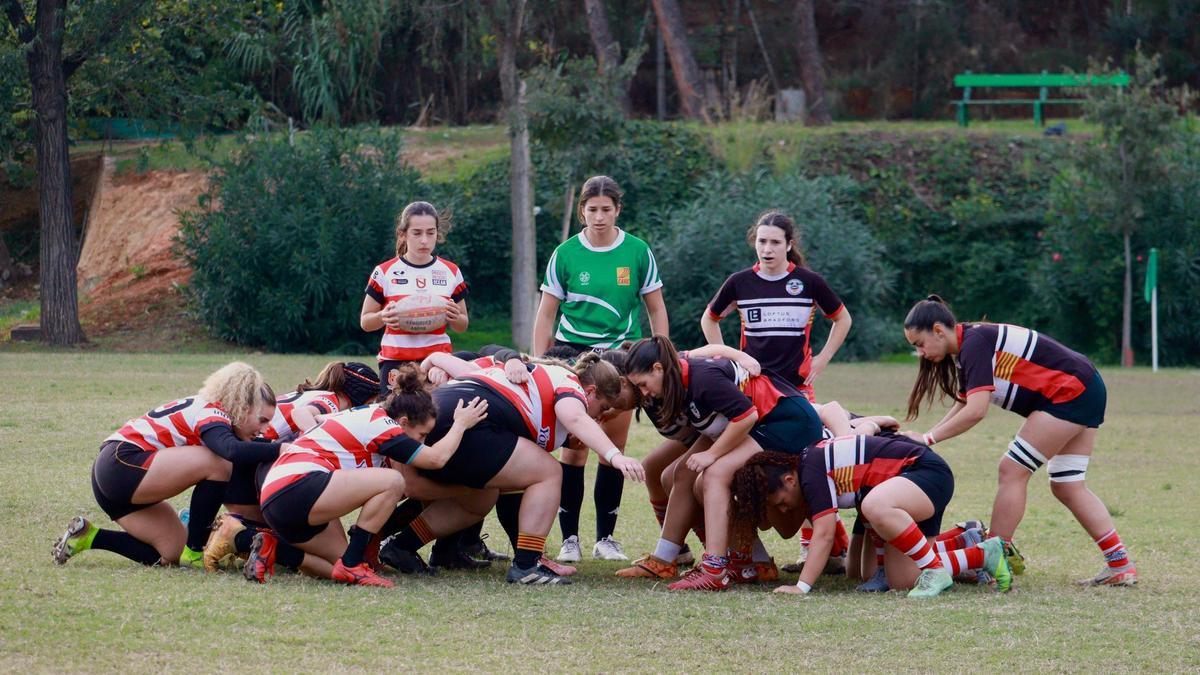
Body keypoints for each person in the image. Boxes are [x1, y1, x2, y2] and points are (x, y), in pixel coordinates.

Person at [901, 295, 1137, 586]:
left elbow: (977, 411)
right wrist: (927, 438)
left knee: (1012, 470)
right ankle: (1120, 565)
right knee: (1067, 484)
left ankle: (992, 561)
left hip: (1069, 392)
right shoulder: (969, 344)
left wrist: (927, 438)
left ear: (939, 330)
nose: (921, 353)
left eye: (920, 344)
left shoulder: (974, 344)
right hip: (1085, 386)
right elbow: (965, 402)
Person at [378, 352, 646, 585]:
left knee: (479, 499)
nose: (599, 418)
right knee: (549, 473)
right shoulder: (571, 386)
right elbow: (573, 415)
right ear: (590, 392)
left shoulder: (545, 385)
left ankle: (402, 547)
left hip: (445, 415)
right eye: (602, 408)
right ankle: (527, 566)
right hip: (467, 419)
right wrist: (614, 456)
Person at [701, 210, 855, 576]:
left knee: (807, 463)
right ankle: (748, 550)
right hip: (755, 391)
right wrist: (731, 358)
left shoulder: (808, 282)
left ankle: (823, 545)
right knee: (755, 466)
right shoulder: (739, 282)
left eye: (774, 242)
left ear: (789, 245)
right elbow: (710, 319)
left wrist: (823, 358)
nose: (767, 249)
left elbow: (842, 318)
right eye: (761, 241)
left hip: (798, 392)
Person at [532, 175, 668, 563]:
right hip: (574, 356)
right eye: (592, 210)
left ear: (618, 210)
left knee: (614, 447)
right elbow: (546, 314)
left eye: (606, 209)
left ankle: (605, 538)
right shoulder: (566, 253)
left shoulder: (638, 252)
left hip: (621, 357)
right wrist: (541, 362)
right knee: (574, 449)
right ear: (582, 212)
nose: (599, 217)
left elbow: (656, 308)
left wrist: (661, 354)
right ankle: (569, 538)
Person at [620, 335, 823, 591]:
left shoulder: (702, 378)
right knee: (680, 473)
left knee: (714, 474)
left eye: (643, 384)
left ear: (658, 368)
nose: (644, 393)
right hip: (755, 420)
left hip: (785, 421)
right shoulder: (675, 368)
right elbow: (710, 350)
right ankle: (665, 559)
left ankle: (715, 568)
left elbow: (747, 416)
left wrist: (713, 454)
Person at [257, 366, 490, 587]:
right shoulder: (382, 423)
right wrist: (460, 424)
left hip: (277, 498)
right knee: (392, 481)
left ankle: (271, 546)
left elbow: (321, 424)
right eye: (422, 434)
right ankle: (352, 563)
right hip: (295, 486)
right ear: (403, 422)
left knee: (339, 568)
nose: (421, 441)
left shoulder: (368, 416)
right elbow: (435, 459)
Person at [52, 363, 281, 568]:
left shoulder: (214, 414)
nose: (265, 428)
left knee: (170, 552)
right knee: (219, 463)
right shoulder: (212, 412)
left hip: (113, 476)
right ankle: (194, 551)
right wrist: (281, 449)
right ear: (242, 405)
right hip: (122, 464)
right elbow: (230, 450)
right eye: (263, 420)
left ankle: (88, 536)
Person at [731, 439, 1012, 598]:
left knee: (875, 505)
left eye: (780, 503)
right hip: (905, 489)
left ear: (789, 480)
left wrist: (801, 587)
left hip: (925, 474)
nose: (783, 510)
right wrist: (879, 563)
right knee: (901, 579)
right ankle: (982, 553)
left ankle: (935, 569)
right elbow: (866, 493)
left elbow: (825, 533)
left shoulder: (810, 472)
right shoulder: (809, 468)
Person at [203, 361, 381, 574]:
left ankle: (232, 534)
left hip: (250, 466)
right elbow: (301, 415)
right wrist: (323, 444)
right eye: (371, 403)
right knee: (335, 559)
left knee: (293, 537)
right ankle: (238, 537)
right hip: (256, 464)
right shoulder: (332, 401)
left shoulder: (319, 395)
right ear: (360, 397)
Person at [361, 201, 469, 396]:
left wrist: (455, 317)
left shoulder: (451, 272)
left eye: (431, 232)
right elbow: (365, 322)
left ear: (438, 233)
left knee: (436, 419)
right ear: (403, 233)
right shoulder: (384, 272)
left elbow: (463, 324)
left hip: (438, 363)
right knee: (396, 420)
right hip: (395, 364)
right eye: (417, 233)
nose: (425, 240)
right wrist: (382, 316)